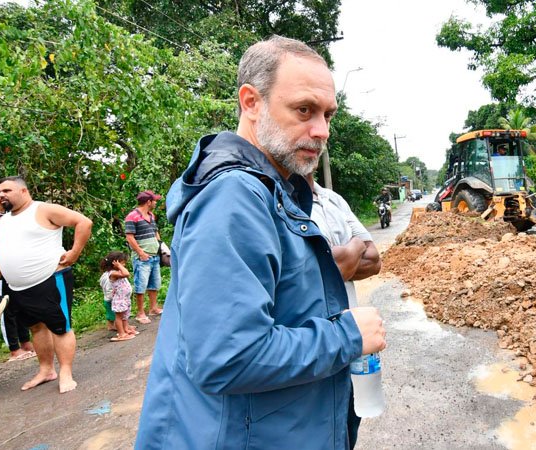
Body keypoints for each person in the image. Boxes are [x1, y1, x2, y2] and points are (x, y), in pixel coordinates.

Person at [135, 36, 386, 449]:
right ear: (251, 102)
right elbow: (227, 357)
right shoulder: (234, 197)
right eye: (304, 110)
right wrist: (347, 337)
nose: (321, 131)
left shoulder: (276, 193)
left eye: (328, 115)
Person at [0, 176, 93, 393]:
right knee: (36, 327)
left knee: (60, 327)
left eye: (7, 190)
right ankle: (46, 370)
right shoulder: (4, 222)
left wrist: (74, 253)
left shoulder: (43, 210)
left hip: (50, 279)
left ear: (23, 191)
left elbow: (84, 222)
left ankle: (65, 372)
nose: (1, 195)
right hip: (18, 288)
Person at [307, 173, 382, 449]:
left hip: (352, 349)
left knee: (348, 429)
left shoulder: (333, 199)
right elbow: (303, 271)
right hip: (312, 352)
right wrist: (354, 248)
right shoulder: (277, 199)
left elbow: (373, 260)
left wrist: (335, 258)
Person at [0, 182, 36, 362]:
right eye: (3, 191)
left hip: (14, 267)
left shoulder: (7, 215)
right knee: (6, 309)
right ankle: (14, 349)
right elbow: (7, 237)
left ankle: (25, 343)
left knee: (20, 306)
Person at [124, 190, 163, 324]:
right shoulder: (132, 216)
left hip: (154, 255)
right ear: (148, 202)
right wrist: (140, 252)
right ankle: (140, 313)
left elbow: (155, 232)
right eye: (154, 201)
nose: (156, 203)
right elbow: (129, 237)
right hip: (142, 257)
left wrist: (160, 247)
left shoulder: (151, 215)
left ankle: (153, 308)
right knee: (141, 285)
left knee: (154, 283)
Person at [99, 251, 138, 342]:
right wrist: (119, 266)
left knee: (125, 315)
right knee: (119, 317)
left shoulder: (117, 271)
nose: (124, 264)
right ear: (115, 263)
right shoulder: (112, 273)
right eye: (122, 262)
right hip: (119, 299)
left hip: (124, 298)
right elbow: (126, 274)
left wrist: (119, 266)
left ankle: (126, 329)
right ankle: (121, 334)